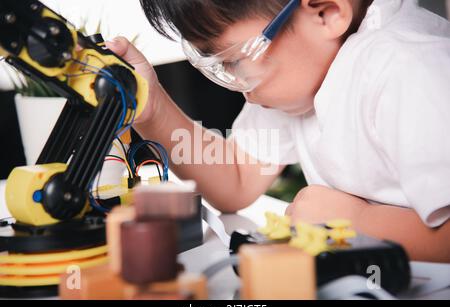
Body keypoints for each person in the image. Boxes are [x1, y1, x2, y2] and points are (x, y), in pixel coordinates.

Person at [106, 0, 450, 262]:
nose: (236, 85)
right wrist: (150, 107)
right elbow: (236, 180)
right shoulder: (306, 75)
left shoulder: (411, 67)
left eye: (234, 61)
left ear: (327, 13)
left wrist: (359, 221)